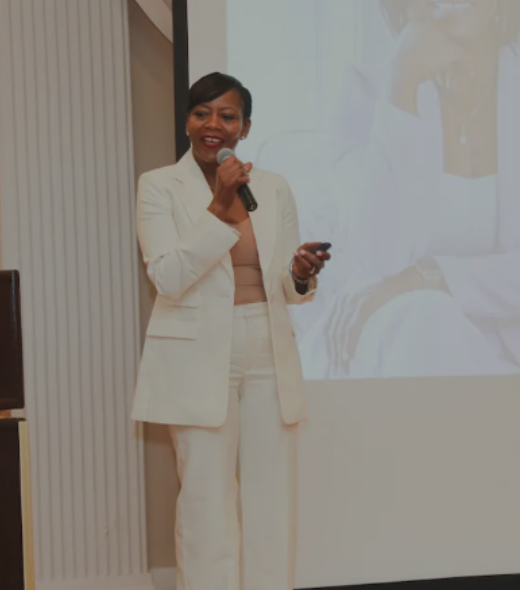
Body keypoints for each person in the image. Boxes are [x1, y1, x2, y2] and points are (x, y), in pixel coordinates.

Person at [131, 72, 330, 590]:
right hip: (197, 352)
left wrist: (302, 273)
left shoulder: (272, 186)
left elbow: (285, 286)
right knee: (205, 500)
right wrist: (220, 204)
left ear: (244, 128)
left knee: (271, 498)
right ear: (187, 121)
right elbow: (169, 278)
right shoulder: (158, 186)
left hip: (267, 344)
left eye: (227, 115)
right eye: (202, 113)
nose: (213, 124)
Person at [303, 0, 520, 379]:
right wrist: (402, 85)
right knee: (428, 321)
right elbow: (380, 253)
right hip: (397, 337)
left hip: (503, 350)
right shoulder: (364, 93)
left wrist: (428, 277)